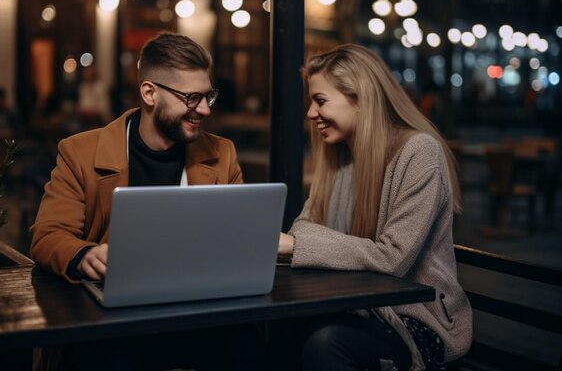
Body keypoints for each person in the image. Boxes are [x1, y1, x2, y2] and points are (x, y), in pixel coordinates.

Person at [30, 32, 261, 371]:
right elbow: (47, 236)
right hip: (113, 320)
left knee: (255, 353)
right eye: (192, 97)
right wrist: (84, 255)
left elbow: (240, 239)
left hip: (199, 313)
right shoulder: (80, 152)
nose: (205, 109)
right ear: (149, 93)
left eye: (208, 95)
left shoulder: (222, 153)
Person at [277, 44, 472, 371]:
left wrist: (300, 245)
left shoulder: (418, 153)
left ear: (360, 98)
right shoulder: (339, 157)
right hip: (352, 306)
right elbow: (304, 227)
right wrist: (305, 242)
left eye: (320, 101)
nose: (311, 113)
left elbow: (393, 257)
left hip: (416, 322)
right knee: (277, 333)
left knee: (325, 344)